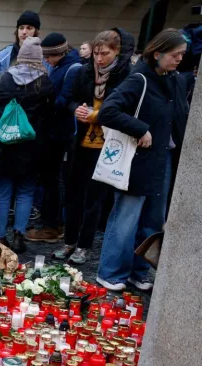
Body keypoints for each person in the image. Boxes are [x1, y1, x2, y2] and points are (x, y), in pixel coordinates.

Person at [95, 29, 188, 292]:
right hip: (137, 160)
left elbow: (179, 118)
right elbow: (108, 111)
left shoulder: (176, 80)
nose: (179, 59)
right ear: (157, 53)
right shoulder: (139, 79)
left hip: (163, 158)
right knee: (126, 217)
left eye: (182, 54)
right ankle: (111, 272)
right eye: (175, 54)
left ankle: (139, 271)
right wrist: (140, 129)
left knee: (153, 219)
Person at [54, 29, 133, 265]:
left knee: (94, 199)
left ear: (117, 51)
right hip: (81, 142)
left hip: (107, 145)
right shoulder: (85, 71)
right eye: (96, 53)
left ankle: (84, 245)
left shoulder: (126, 74)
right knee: (73, 194)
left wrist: (99, 115)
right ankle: (69, 241)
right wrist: (76, 109)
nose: (99, 58)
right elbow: (69, 99)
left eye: (105, 54)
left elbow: (126, 108)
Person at [0, 37, 53, 254]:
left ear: (20, 57)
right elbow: (50, 115)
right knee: (25, 192)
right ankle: (19, 236)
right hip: (32, 146)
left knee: (3, 192)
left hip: (4, 144)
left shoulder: (4, 79)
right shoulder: (45, 83)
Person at [19, 32, 83, 243]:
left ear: (59, 53)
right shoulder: (63, 65)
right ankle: (53, 224)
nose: (46, 60)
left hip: (59, 134)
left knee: (53, 181)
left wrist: (42, 103)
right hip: (54, 131)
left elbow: (64, 99)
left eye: (49, 56)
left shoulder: (72, 69)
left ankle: (51, 227)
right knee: (52, 180)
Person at [0, 10, 41, 90]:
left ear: (36, 31)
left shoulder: (44, 57)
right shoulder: (2, 57)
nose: (24, 32)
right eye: (21, 28)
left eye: (29, 28)